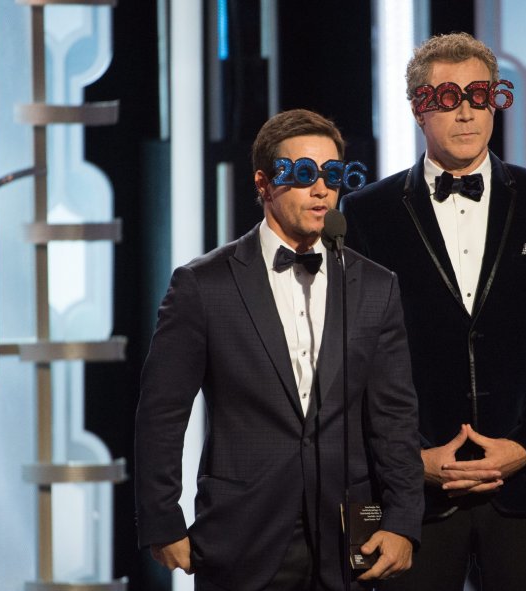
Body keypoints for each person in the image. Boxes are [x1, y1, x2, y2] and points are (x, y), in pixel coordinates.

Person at [340, 33, 526, 590]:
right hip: (410, 494)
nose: (466, 111)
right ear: (418, 109)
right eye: (447, 97)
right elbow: (349, 355)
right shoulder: (367, 213)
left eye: (480, 95)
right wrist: (410, 459)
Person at [134, 108, 423, 590]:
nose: (322, 189)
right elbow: (162, 412)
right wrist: (162, 518)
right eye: (304, 174)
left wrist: (402, 520)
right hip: (242, 534)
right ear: (264, 183)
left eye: (332, 174)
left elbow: (394, 416)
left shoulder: (374, 285)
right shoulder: (203, 285)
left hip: (347, 539)